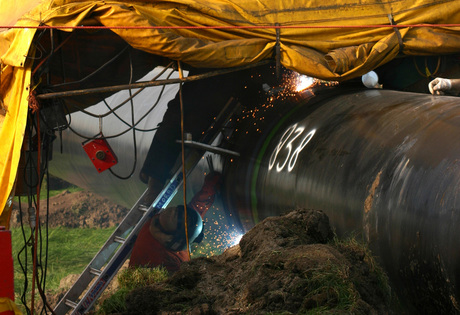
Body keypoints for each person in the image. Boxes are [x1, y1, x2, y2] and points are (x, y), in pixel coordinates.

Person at [129, 172, 221, 272]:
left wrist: (208, 189)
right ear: (177, 241)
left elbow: (192, 213)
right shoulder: (163, 261)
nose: (173, 211)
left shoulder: (159, 224)